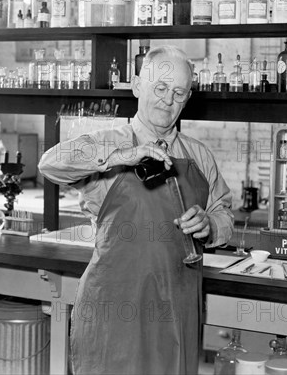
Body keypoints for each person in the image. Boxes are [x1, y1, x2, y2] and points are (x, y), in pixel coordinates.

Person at [38, 45, 235, 375]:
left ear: (187, 98)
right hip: (116, 309)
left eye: (178, 93)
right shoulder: (107, 142)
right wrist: (118, 156)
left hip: (178, 307)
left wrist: (211, 226)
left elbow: (225, 214)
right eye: (160, 88)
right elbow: (49, 165)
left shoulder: (199, 156)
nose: (167, 101)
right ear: (138, 86)